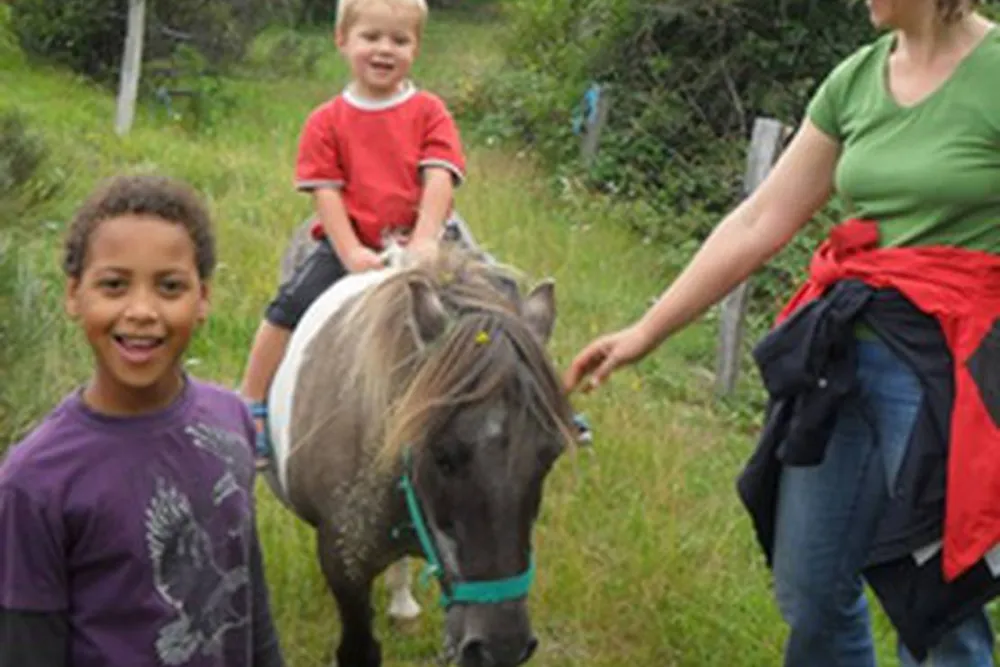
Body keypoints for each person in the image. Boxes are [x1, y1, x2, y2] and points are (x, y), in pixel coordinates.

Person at [563, 0, 1000, 664]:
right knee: (810, 588)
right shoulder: (855, 79)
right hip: (844, 358)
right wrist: (647, 330)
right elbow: (760, 218)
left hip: (954, 376)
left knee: (937, 607)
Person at [0, 174, 285, 667]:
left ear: (203, 298)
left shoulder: (231, 421)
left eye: (170, 287)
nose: (141, 311)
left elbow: (250, 597)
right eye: (114, 285)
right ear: (74, 295)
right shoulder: (34, 483)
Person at [239, 0, 466, 467]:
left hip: (426, 235)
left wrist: (424, 242)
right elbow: (327, 192)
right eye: (371, 37)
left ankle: (538, 400)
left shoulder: (429, 110)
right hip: (355, 238)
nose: (385, 49)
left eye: (399, 40)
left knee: (497, 297)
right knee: (286, 310)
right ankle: (249, 404)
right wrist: (350, 253)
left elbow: (439, 176)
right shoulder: (326, 120)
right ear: (342, 40)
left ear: (416, 48)